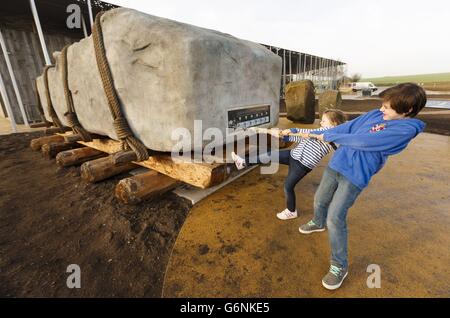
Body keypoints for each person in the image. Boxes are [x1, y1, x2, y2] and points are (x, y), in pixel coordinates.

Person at [297, 83, 427, 290]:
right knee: (319, 200)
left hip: (355, 176)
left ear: (408, 110)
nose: (381, 109)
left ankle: (339, 265)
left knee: (335, 218)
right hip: (336, 165)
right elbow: (346, 128)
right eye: (383, 105)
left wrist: (328, 136)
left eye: (387, 107)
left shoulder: (406, 130)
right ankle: (317, 222)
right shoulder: (376, 114)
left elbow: (363, 140)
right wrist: (305, 132)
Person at [231, 109, 347, 220]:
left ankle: (291, 211)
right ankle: (243, 162)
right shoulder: (318, 132)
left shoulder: (331, 136)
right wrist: (284, 135)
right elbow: (300, 137)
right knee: (270, 155)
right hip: (292, 155)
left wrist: (294, 130)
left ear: (334, 123)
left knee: (288, 186)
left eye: (324, 120)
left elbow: (309, 133)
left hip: (302, 165)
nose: (320, 122)